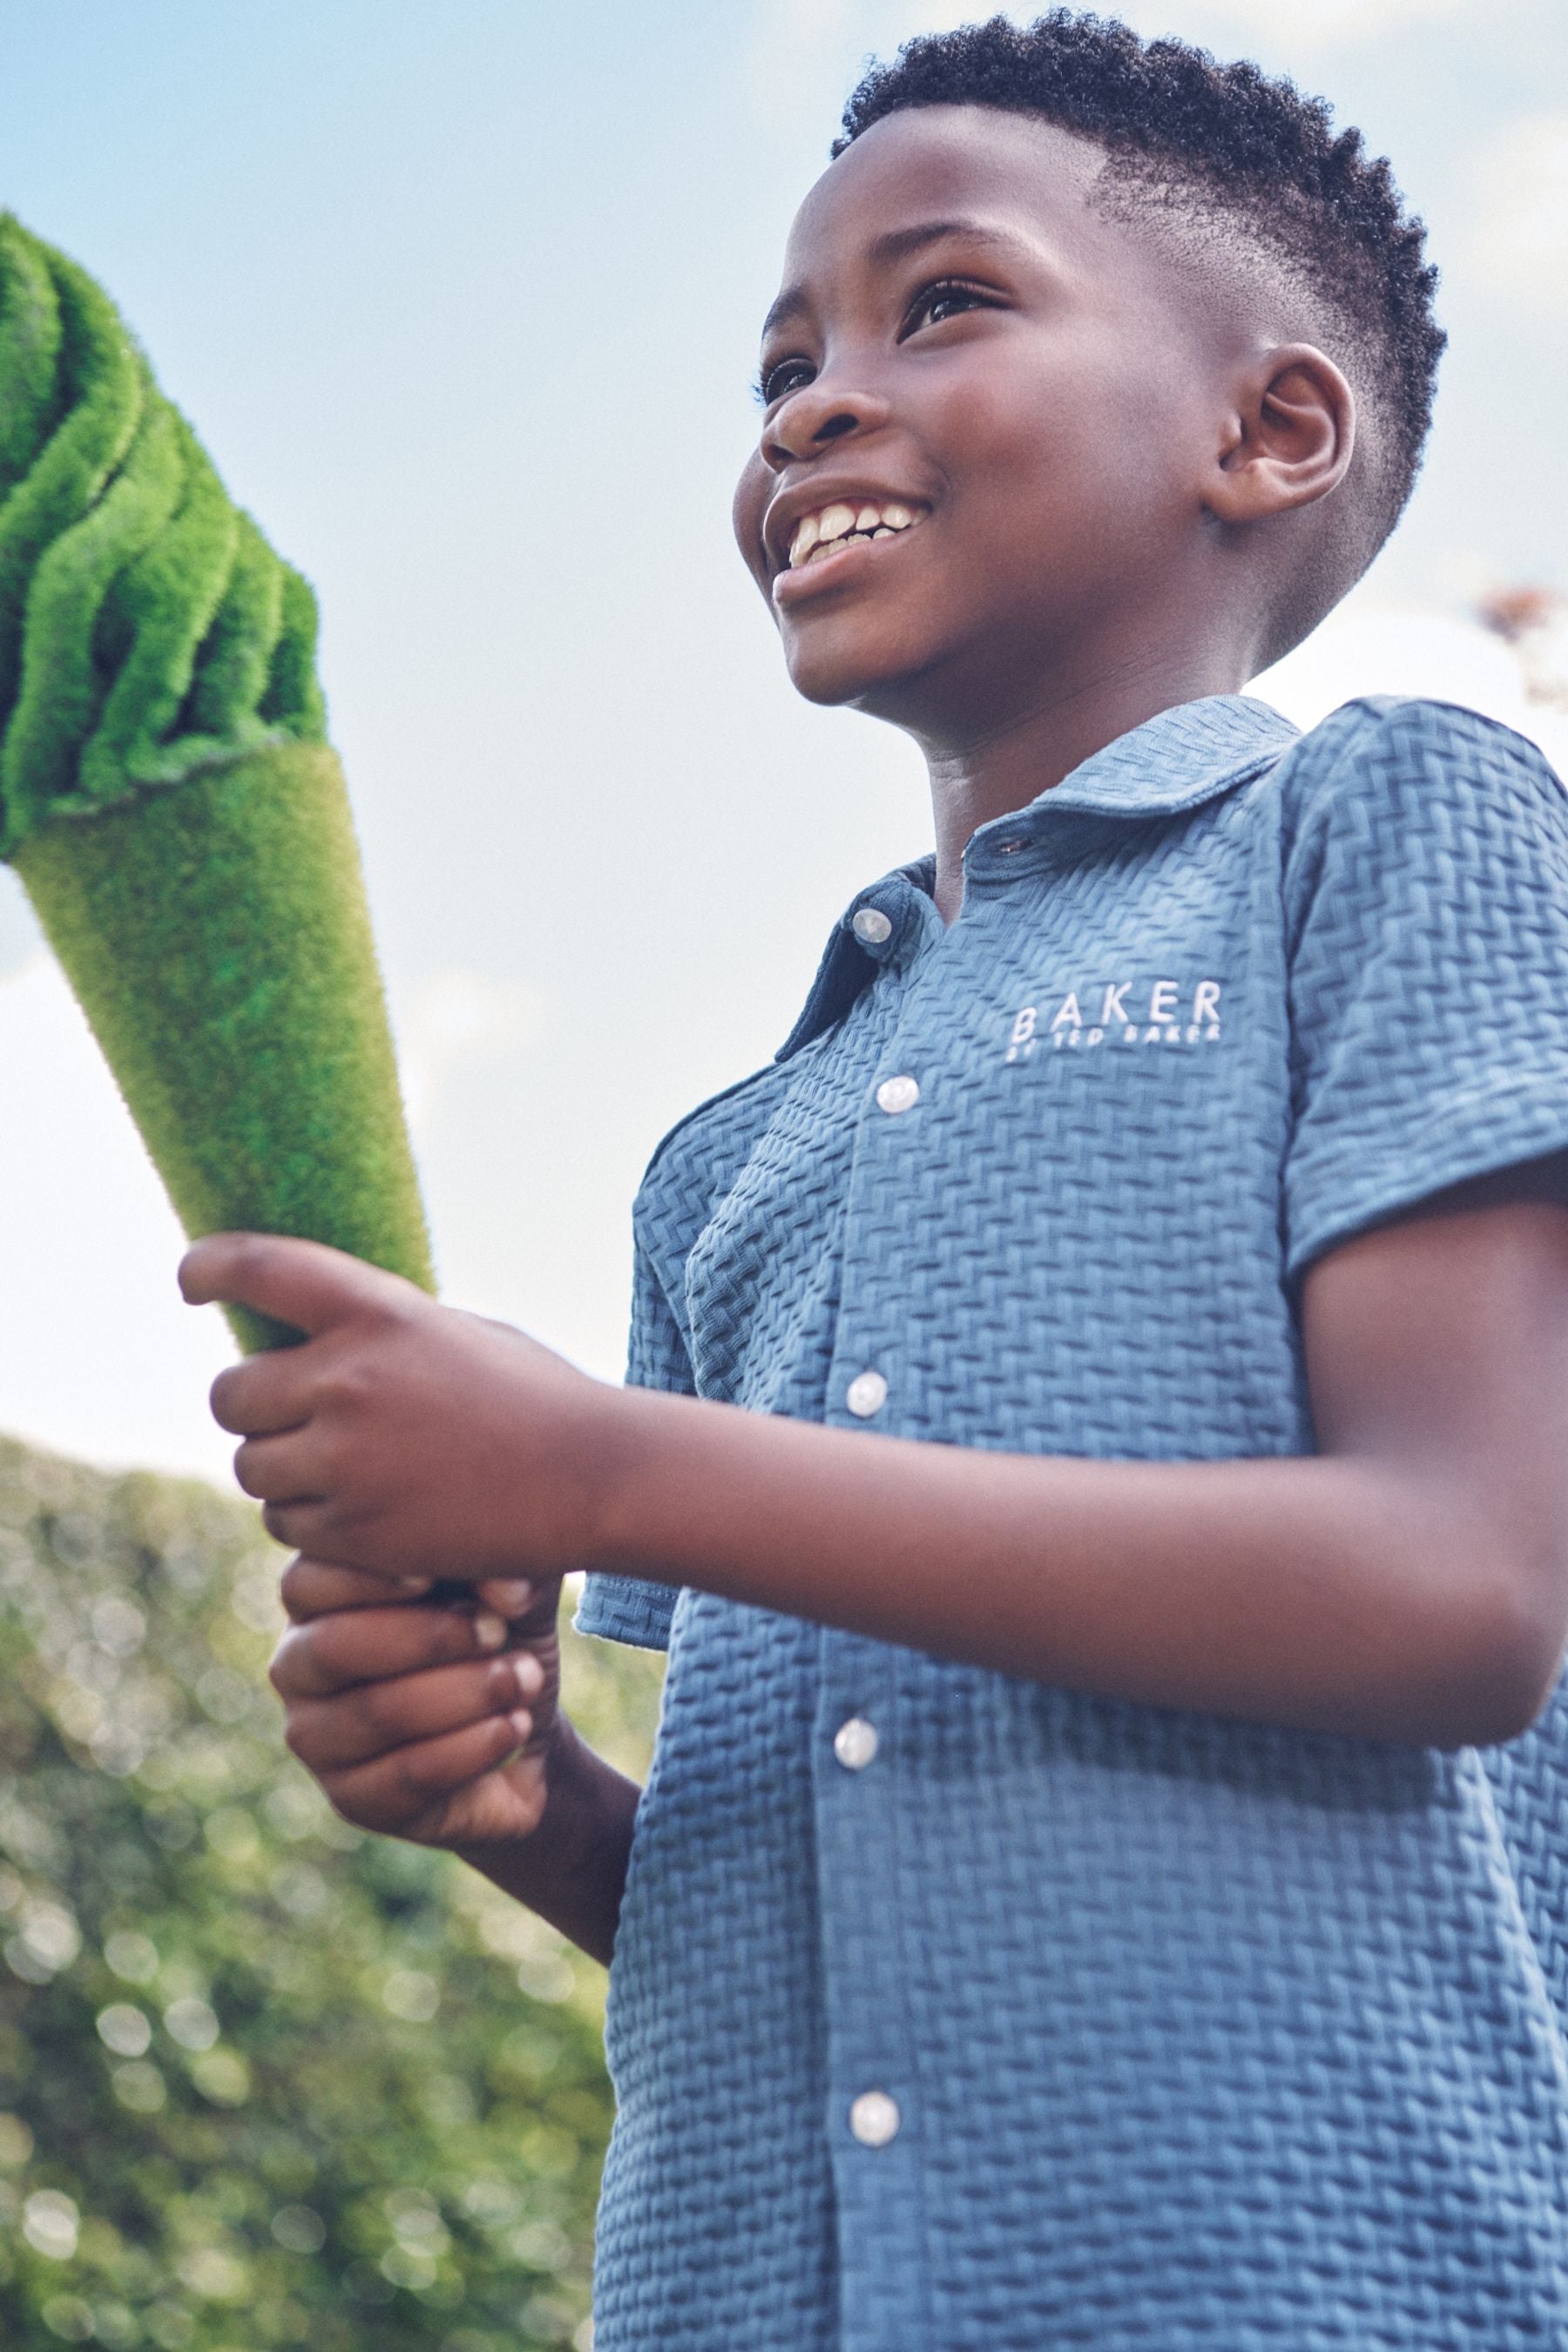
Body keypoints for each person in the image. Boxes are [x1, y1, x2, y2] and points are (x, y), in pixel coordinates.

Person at [181, 14, 1568, 2347]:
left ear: (1269, 427)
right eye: (780, 360)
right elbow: (809, 1881)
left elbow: (1458, 1584)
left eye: (943, 303)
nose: (812, 403)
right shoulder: (735, 1154)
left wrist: (606, 1464)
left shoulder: (1397, 825)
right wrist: (520, 1796)